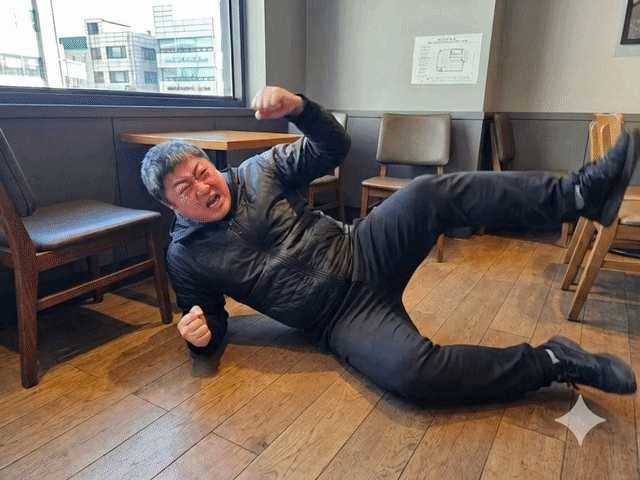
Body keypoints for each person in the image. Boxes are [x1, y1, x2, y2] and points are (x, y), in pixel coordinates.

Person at [140, 86, 639, 406]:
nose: (202, 187)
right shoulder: (185, 256)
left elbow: (333, 148)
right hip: (337, 319)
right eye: (185, 188)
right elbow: (210, 319)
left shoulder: (259, 170)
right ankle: (552, 362)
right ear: (170, 205)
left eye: (202, 171)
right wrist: (199, 337)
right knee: (413, 376)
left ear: (211, 164)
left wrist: (301, 109)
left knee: (427, 193)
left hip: (361, 247)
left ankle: (579, 195)